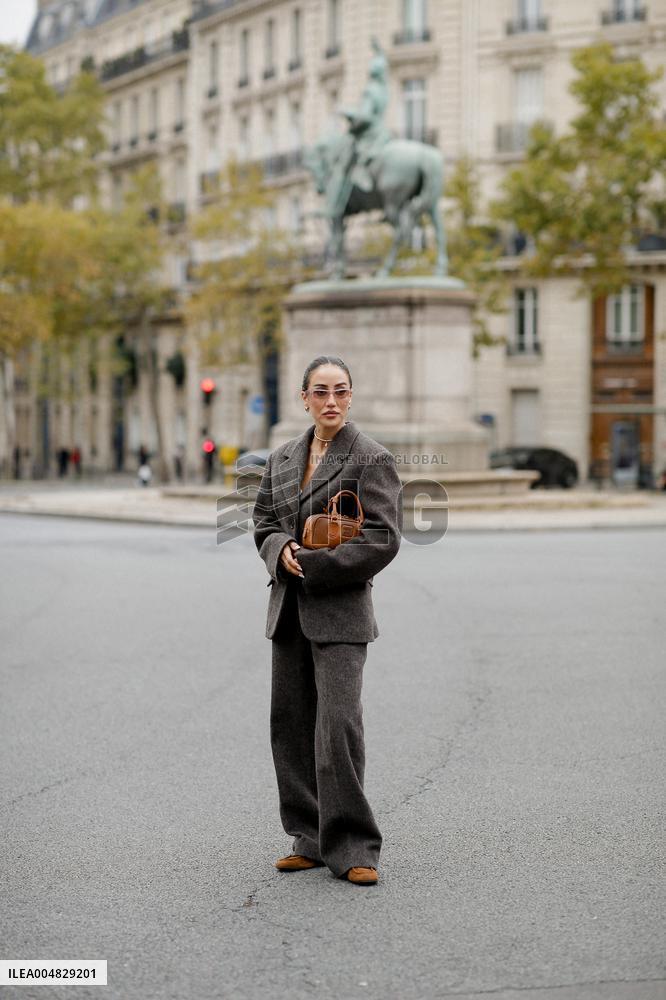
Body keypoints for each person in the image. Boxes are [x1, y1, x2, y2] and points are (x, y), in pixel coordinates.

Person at [252, 355, 403, 886]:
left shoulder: (371, 457)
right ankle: (308, 838)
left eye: (340, 391)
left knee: (337, 727)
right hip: (288, 611)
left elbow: (383, 537)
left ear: (351, 396)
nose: (331, 401)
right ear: (305, 398)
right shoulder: (284, 457)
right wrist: (280, 549)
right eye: (320, 392)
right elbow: (264, 519)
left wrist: (312, 565)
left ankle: (355, 845)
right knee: (290, 726)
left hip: (340, 611)